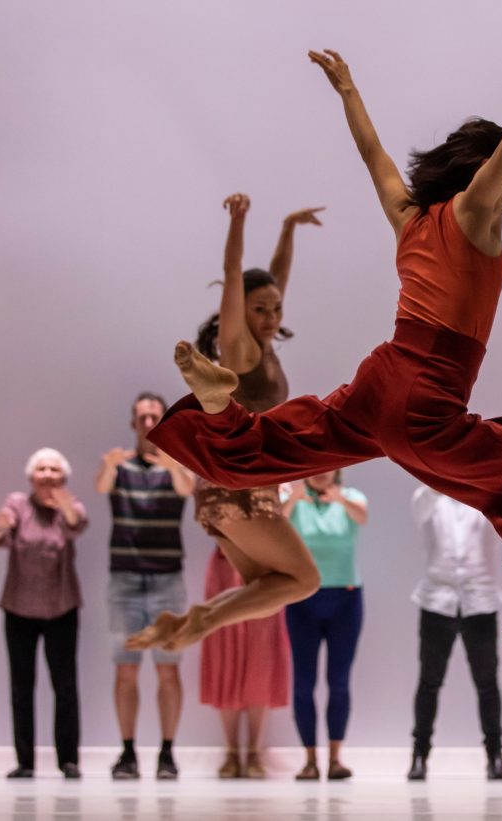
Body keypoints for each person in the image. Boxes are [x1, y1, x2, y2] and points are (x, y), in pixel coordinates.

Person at [144, 0, 502, 710]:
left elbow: (373, 155)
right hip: (428, 399)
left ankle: (222, 403)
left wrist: (347, 90)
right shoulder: (473, 212)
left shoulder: (409, 217)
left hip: (381, 382)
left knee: (274, 444)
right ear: (487, 170)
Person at [175, 196, 319, 779]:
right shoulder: (237, 349)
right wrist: (237, 223)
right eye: (260, 309)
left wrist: (287, 231)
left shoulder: (267, 342)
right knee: (304, 580)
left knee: (271, 585)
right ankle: (206, 619)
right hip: (237, 486)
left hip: (232, 491)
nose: (269, 316)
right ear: (242, 311)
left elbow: (271, 279)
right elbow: (238, 278)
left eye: (274, 309)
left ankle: (204, 619)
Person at [94, 393, 195, 780]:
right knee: (126, 670)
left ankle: (168, 753)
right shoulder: (119, 467)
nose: (149, 423)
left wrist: (171, 462)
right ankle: (127, 753)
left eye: (156, 416)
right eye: (143, 417)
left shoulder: (178, 465)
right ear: (133, 423)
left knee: (169, 670)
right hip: (125, 579)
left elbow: (188, 491)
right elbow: (101, 486)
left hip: (168, 579)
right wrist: (109, 464)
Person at [0, 448, 88, 780]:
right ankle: (25, 762)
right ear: (31, 477)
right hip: (19, 607)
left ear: (63, 477)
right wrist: (0, 528)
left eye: (53, 469)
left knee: (65, 686)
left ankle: (68, 760)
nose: (47, 474)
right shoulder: (16, 503)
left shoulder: (71, 506)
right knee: (21, 687)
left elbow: (77, 525)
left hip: (61, 606)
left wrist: (64, 503)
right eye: (41, 469)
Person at [407, 485, 502, 782]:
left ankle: (495, 756)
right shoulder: (428, 496)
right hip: (437, 599)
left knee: (487, 683)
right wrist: (439, 476)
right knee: (429, 682)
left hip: (480, 598)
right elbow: (420, 507)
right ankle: (419, 756)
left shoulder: (486, 497)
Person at [281, 470, 368, 781]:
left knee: (339, 681)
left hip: (345, 599)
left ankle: (334, 758)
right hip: (302, 599)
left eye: (326, 467)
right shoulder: (293, 500)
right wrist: (292, 497)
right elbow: (276, 524)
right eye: (314, 468)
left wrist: (340, 498)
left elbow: (362, 516)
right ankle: (308, 760)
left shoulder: (352, 497)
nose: (320, 473)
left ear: (337, 468)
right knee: (303, 683)